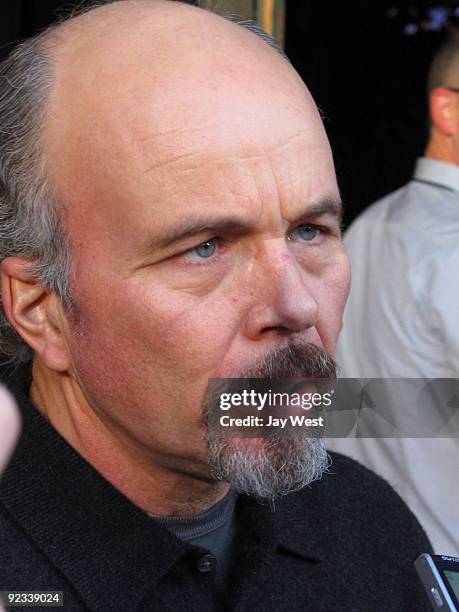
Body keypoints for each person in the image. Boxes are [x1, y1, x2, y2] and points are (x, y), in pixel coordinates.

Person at [0, 1, 431, 610]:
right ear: (40, 306)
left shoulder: (368, 529)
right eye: (204, 248)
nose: (296, 305)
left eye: (310, 231)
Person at [331, 32, 459, 556]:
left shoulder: (369, 225)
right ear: (448, 110)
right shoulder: (446, 243)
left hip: (362, 559)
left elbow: (344, 407)